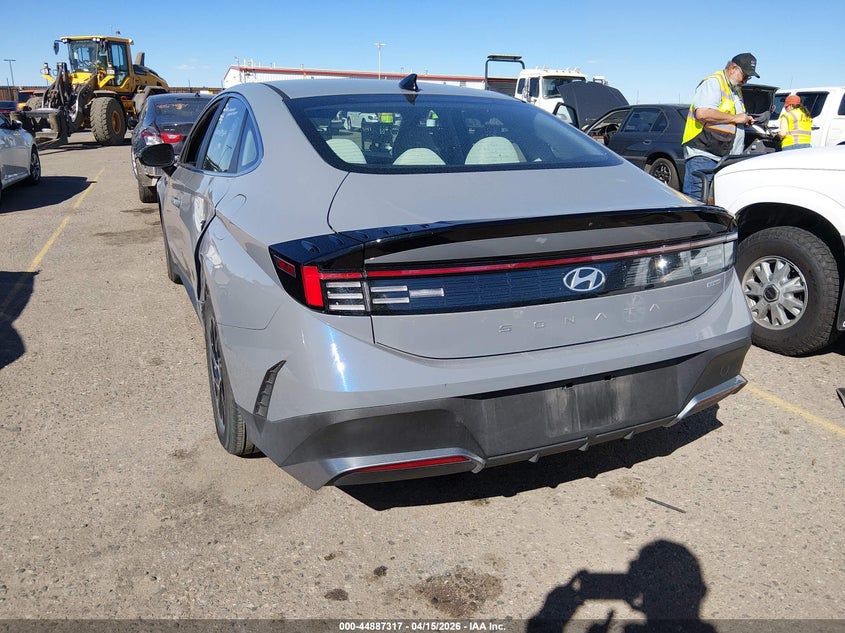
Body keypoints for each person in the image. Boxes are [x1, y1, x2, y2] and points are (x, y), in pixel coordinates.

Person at [681, 53, 759, 201]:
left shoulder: (735, 89)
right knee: (696, 200)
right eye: (745, 76)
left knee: (713, 201)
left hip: (723, 155)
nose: (746, 80)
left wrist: (744, 120)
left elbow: (730, 117)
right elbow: (703, 113)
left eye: (749, 78)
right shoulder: (714, 82)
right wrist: (736, 118)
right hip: (704, 152)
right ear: (733, 68)